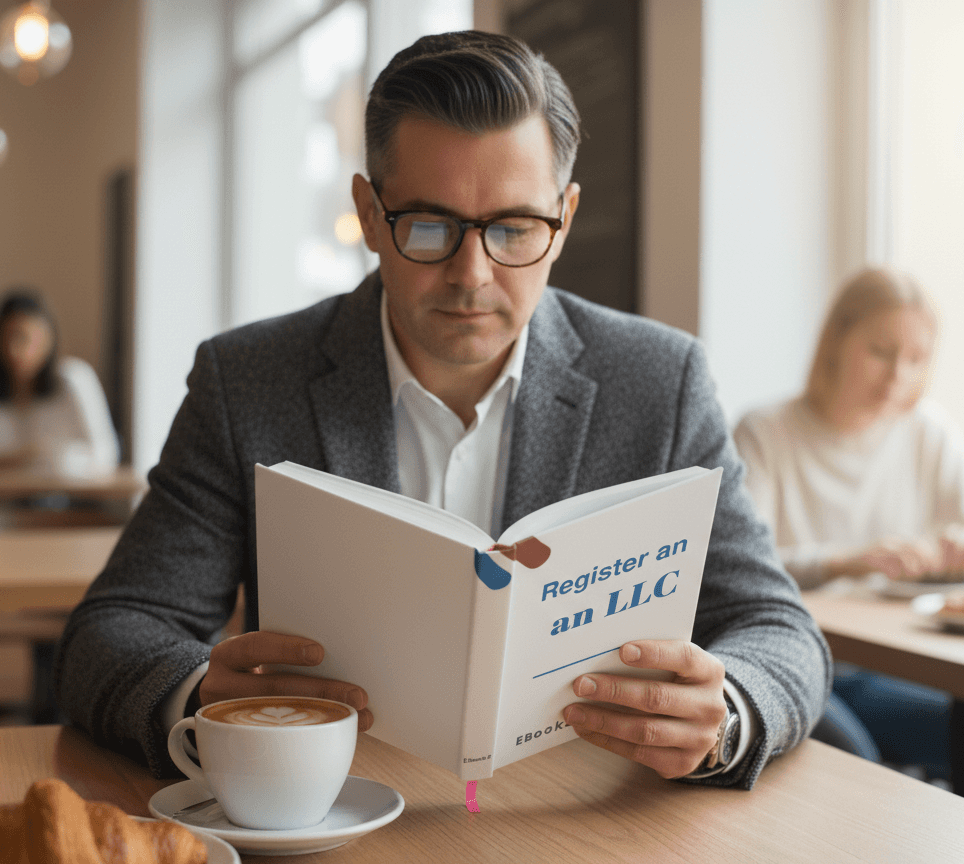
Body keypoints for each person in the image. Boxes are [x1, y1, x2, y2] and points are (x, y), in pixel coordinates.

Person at [55, 31, 829, 790]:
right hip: (333, 816)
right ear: (368, 213)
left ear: (563, 219)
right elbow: (109, 633)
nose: (471, 274)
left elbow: (779, 629)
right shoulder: (250, 380)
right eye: (429, 227)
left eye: (514, 229)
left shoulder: (659, 381)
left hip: (579, 822)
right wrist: (200, 696)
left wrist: (723, 715)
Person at [733, 266, 959, 781]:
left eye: (916, 359)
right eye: (881, 351)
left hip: (898, 658)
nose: (897, 375)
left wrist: (950, 552)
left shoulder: (928, 433)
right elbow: (744, 566)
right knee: (861, 760)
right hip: (801, 658)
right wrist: (845, 561)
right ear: (837, 341)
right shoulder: (765, 432)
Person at [0, 290, 119, 478]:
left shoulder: (75, 378)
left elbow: (105, 455)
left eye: (23, 338)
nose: (14, 350)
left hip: (60, 493)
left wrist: (48, 457)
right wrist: (4, 461)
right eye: (6, 338)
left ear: (47, 339)